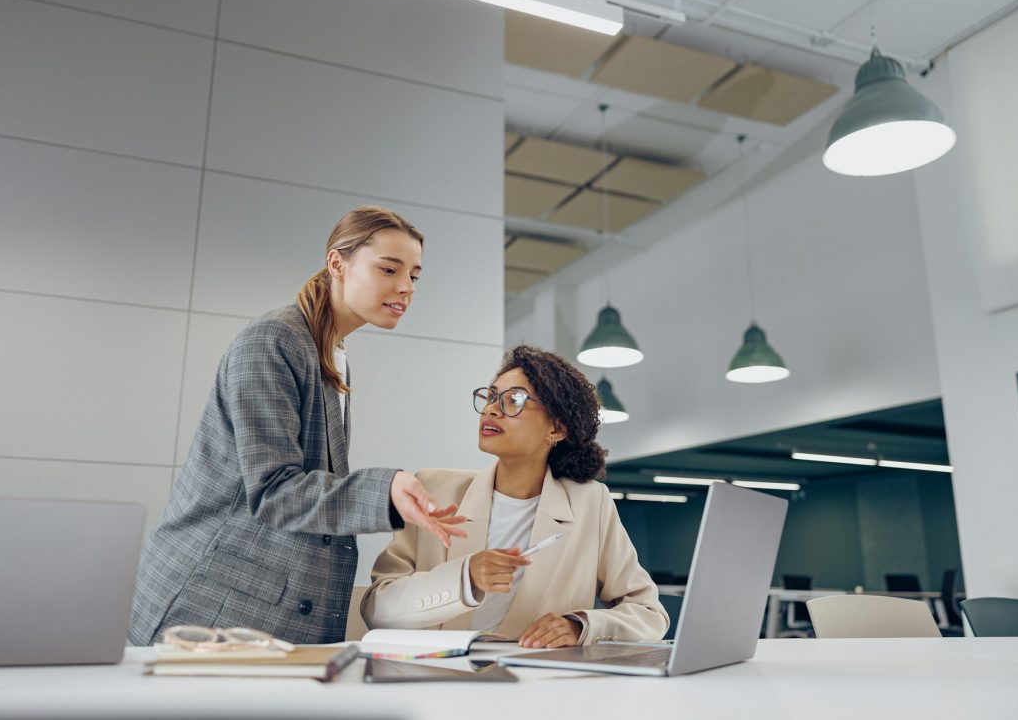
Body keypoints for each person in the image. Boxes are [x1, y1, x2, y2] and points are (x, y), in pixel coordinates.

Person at [129, 206, 467, 646]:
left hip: (261, 615)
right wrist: (384, 490)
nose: (405, 287)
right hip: (213, 606)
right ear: (336, 264)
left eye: (415, 276)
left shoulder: (330, 354)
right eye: (388, 269)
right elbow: (275, 490)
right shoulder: (273, 340)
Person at [361, 344, 668, 647]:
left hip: (535, 685)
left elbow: (650, 614)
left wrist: (581, 626)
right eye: (492, 397)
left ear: (557, 429)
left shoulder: (590, 504)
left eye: (514, 400)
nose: (492, 409)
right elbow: (377, 609)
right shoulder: (434, 489)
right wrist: (465, 579)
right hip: (436, 682)